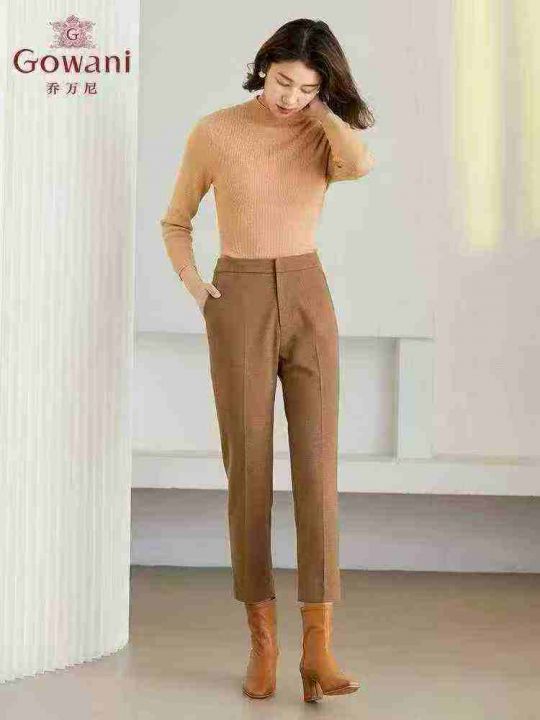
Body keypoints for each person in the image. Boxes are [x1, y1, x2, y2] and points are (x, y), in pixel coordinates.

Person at [160, 18, 375, 703]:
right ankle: (263, 643)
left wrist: (327, 113)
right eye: (284, 81)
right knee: (248, 470)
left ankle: (319, 647)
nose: (290, 98)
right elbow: (176, 220)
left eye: (308, 88)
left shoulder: (320, 131)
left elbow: (359, 165)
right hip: (240, 295)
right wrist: (199, 289)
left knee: (318, 471)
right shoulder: (216, 132)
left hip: (309, 293)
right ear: (264, 67)